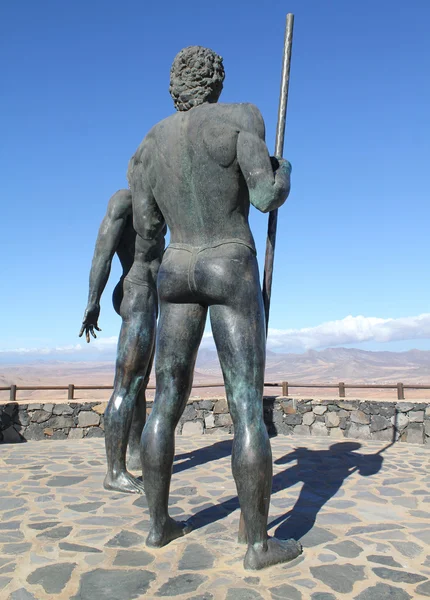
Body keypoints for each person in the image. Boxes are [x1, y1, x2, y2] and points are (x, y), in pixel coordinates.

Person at [128, 45, 302, 569]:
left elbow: (148, 228)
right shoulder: (240, 119)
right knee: (246, 405)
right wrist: (284, 170)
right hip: (229, 261)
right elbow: (266, 196)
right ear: (216, 82)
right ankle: (256, 545)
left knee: (165, 403)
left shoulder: (150, 145)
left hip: (176, 268)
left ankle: (159, 526)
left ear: (176, 87)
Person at [79, 189, 164, 493]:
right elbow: (102, 252)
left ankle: (138, 453)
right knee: (127, 382)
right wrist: (93, 301)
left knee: (140, 381)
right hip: (136, 290)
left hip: (153, 295)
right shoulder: (125, 201)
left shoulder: (164, 199)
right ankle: (114, 471)